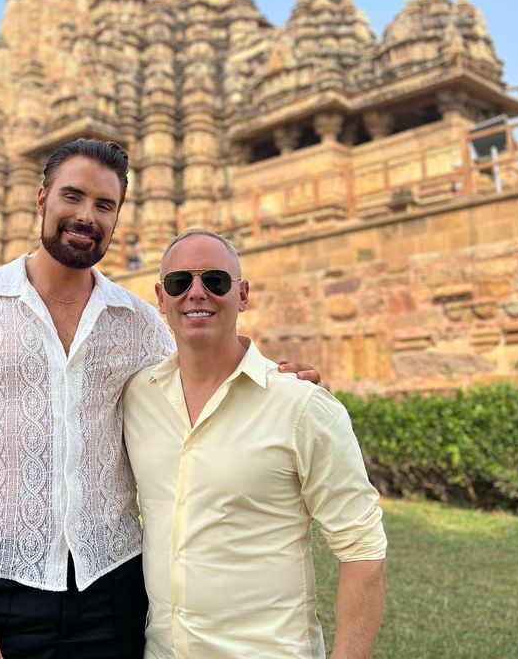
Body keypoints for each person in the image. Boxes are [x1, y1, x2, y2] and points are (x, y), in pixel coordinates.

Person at [0, 139, 323, 659]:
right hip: (0, 584)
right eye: (73, 197)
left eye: (104, 205)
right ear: (41, 199)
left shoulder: (138, 323)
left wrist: (281, 383)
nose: (86, 216)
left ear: (118, 217)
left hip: (114, 587)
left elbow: (202, 386)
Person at [123, 229, 387, 659]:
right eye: (179, 283)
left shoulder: (300, 407)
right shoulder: (138, 398)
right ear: (161, 297)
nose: (196, 293)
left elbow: (363, 548)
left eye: (216, 281)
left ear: (242, 294)